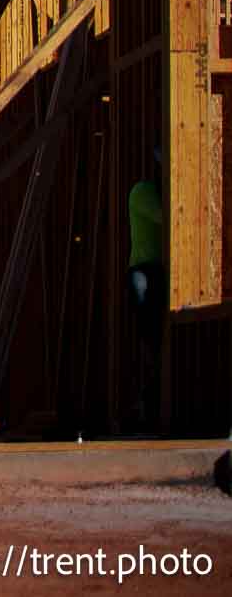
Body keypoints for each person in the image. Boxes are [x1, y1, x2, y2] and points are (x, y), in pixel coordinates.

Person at [125, 172, 166, 429]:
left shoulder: (148, 192)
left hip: (156, 269)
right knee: (150, 336)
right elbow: (167, 217)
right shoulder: (142, 191)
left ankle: (150, 402)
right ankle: (146, 403)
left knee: (154, 337)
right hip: (143, 270)